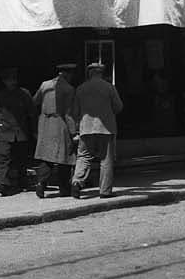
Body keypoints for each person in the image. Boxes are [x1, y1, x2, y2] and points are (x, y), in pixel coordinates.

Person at [70, 60, 124, 198]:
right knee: (106, 160)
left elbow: (75, 111)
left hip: (86, 129)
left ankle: (77, 182)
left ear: (89, 74)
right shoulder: (109, 87)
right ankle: (105, 191)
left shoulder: (80, 88)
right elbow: (118, 106)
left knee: (83, 157)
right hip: (105, 129)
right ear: (101, 74)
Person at [0, 65, 37, 197]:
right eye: (9, 80)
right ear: (4, 81)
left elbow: (32, 113)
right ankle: (4, 184)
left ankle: (23, 181)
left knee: (22, 158)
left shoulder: (24, 94)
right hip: (4, 132)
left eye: (13, 79)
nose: (11, 82)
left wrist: (35, 130)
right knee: (3, 158)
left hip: (20, 132)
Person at [30, 62, 78, 197]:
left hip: (45, 124)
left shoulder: (45, 85)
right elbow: (68, 114)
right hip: (60, 124)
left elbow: (34, 101)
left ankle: (41, 183)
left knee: (46, 157)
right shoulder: (69, 89)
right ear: (67, 74)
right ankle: (64, 188)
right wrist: (73, 132)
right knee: (65, 157)